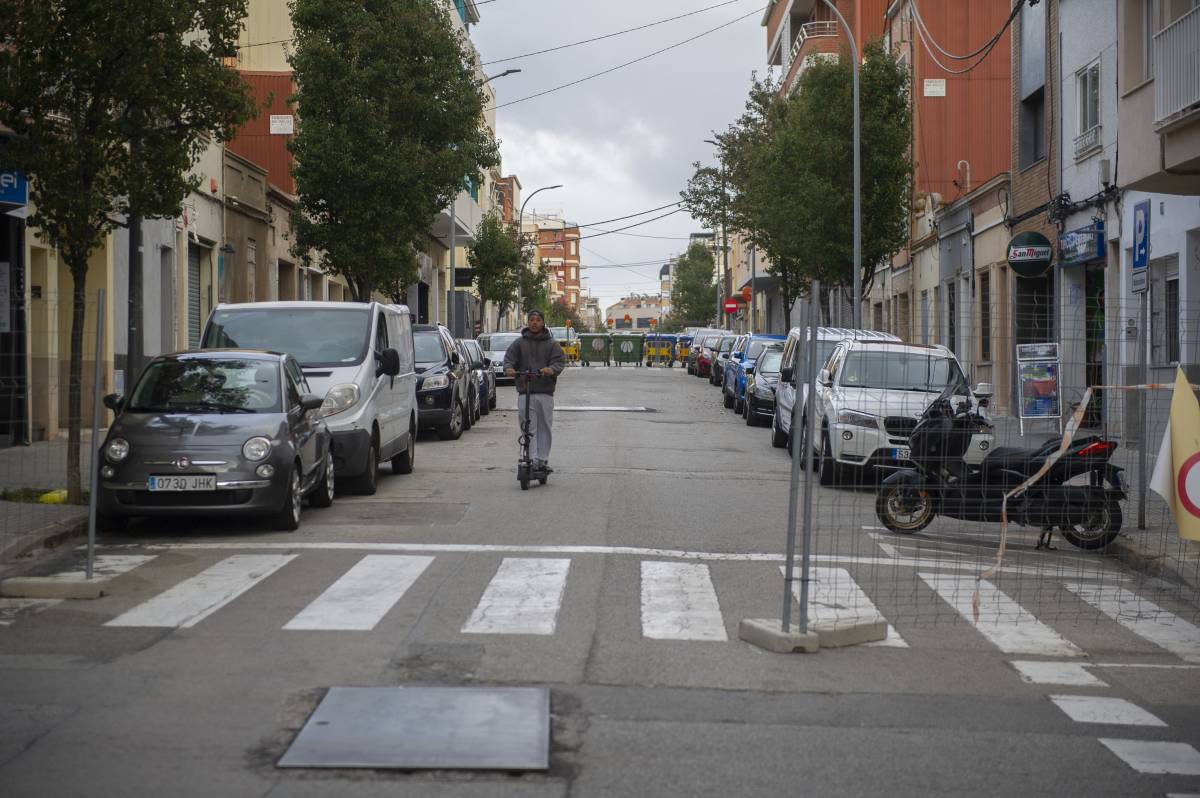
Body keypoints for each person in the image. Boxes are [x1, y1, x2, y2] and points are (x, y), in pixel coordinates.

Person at [504, 309, 566, 473]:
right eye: (531, 319)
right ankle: (530, 458)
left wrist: (551, 369)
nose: (534, 322)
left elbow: (559, 361)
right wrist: (509, 368)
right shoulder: (519, 343)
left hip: (545, 391)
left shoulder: (552, 344)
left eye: (538, 320)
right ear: (528, 322)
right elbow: (509, 358)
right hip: (525, 391)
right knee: (528, 426)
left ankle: (542, 459)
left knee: (544, 425)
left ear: (543, 323)